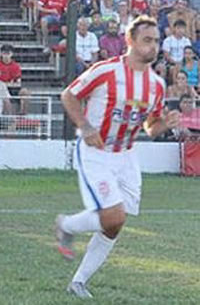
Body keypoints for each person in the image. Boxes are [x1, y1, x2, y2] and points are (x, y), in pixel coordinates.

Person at [56, 16, 179, 298]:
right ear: (130, 41)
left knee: (115, 224)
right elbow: (69, 95)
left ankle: (78, 280)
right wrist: (85, 126)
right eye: (147, 40)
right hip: (96, 153)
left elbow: (151, 126)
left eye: (157, 41)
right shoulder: (106, 71)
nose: (153, 47)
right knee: (114, 215)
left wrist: (165, 125)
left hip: (127, 156)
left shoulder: (157, 85)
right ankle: (66, 226)